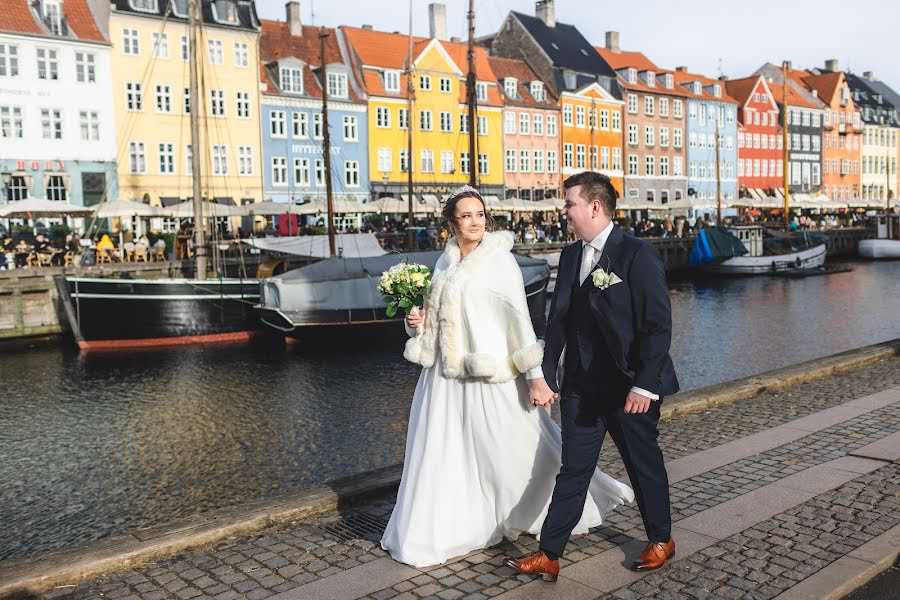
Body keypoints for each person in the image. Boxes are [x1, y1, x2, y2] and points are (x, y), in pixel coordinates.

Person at [381, 184, 633, 568]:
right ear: (452, 222)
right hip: (444, 380)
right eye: (466, 216)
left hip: (489, 374)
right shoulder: (444, 262)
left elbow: (519, 321)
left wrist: (536, 375)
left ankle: (553, 508)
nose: (475, 222)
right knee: (445, 454)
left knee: (510, 452)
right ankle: (456, 524)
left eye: (480, 214)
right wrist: (414, 322)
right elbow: (437, 322)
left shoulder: (500, 261)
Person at [504, 171, 679, 580]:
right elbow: (559, 323)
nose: (563, 211)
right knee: (573, 469)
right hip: (581, 388)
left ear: (594, 206)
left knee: (642, 463)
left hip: (628, 386)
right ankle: (549, 553)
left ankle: (661, 539)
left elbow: (658, 326)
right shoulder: (569, 257)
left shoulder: (636, 254)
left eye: (569, 204)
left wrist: (644, 384)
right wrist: (546, 376)